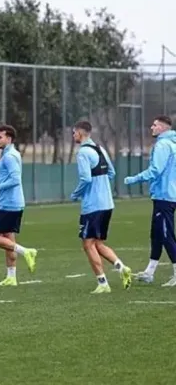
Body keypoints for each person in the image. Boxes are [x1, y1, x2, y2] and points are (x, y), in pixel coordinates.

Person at [70, 121, 132, 293]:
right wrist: (102, 186)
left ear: (80, 133)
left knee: (88, 244)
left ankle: (103, 283)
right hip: (107, 203)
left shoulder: (83, 152)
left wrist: (75, 194)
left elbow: (86, 178)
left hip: (93, 206)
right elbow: (111, 173)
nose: (73, 136)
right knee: (97, 243)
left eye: (74, 133)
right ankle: (122, 268)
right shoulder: (100, 149)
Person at [0, 125, 37, 286]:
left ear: (9, 139)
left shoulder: (10, 156)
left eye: (0, 137)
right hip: (13, 203)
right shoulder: (9, 154)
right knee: (8, 239)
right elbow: (7, 177)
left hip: (7, 204)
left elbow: (15, 180)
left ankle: (26, 251)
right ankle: (11, 277)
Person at [124, 115, 176, 286]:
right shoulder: (172, 143)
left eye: (154, 125)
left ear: (162, 128)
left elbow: (155, 170)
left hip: (164, 196)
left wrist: (134, 179)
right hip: (166, 195)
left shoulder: (163, 145)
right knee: (157, 234)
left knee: (166, 234)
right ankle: (149, 272)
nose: (151, 128)